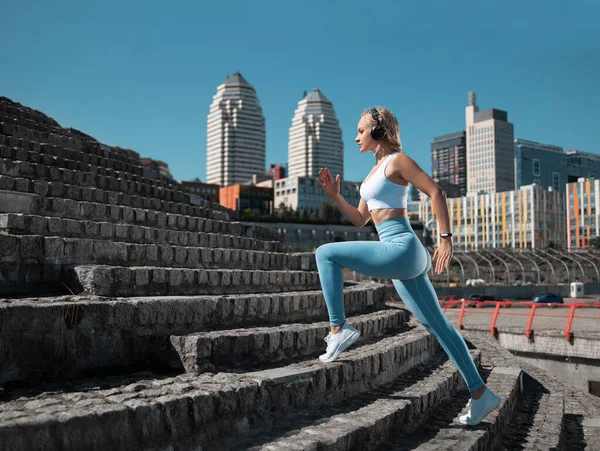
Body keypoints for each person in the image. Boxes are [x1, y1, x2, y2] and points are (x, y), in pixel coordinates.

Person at [314, 106, 501, 426]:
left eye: (361, 130)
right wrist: (334, 196)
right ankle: (481, 394)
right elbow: (360, 220)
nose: (356, 136)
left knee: (325, 253)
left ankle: (338, 328)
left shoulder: (397, 161)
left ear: (378, 131)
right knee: (437, 325)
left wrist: (445, 238)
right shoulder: (372, 173)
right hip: (402, 256)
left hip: (401, 248)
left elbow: (435, 191)